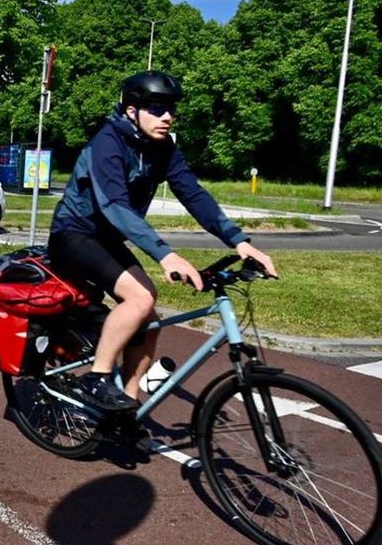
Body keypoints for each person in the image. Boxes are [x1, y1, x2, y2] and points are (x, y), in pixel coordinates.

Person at [47, 70, 277, 437]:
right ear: (131, 111)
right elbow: (115, 207)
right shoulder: (106, 144)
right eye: (157, 109)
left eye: (171, 109)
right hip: (74, 234)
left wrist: (239, 241)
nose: (167, 116)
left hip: (106, 239)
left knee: (148, 317)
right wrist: (165, 255)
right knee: (141, 297)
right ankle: (97, 376)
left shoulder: (164, 148)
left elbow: (194, 195)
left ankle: (126, 406)